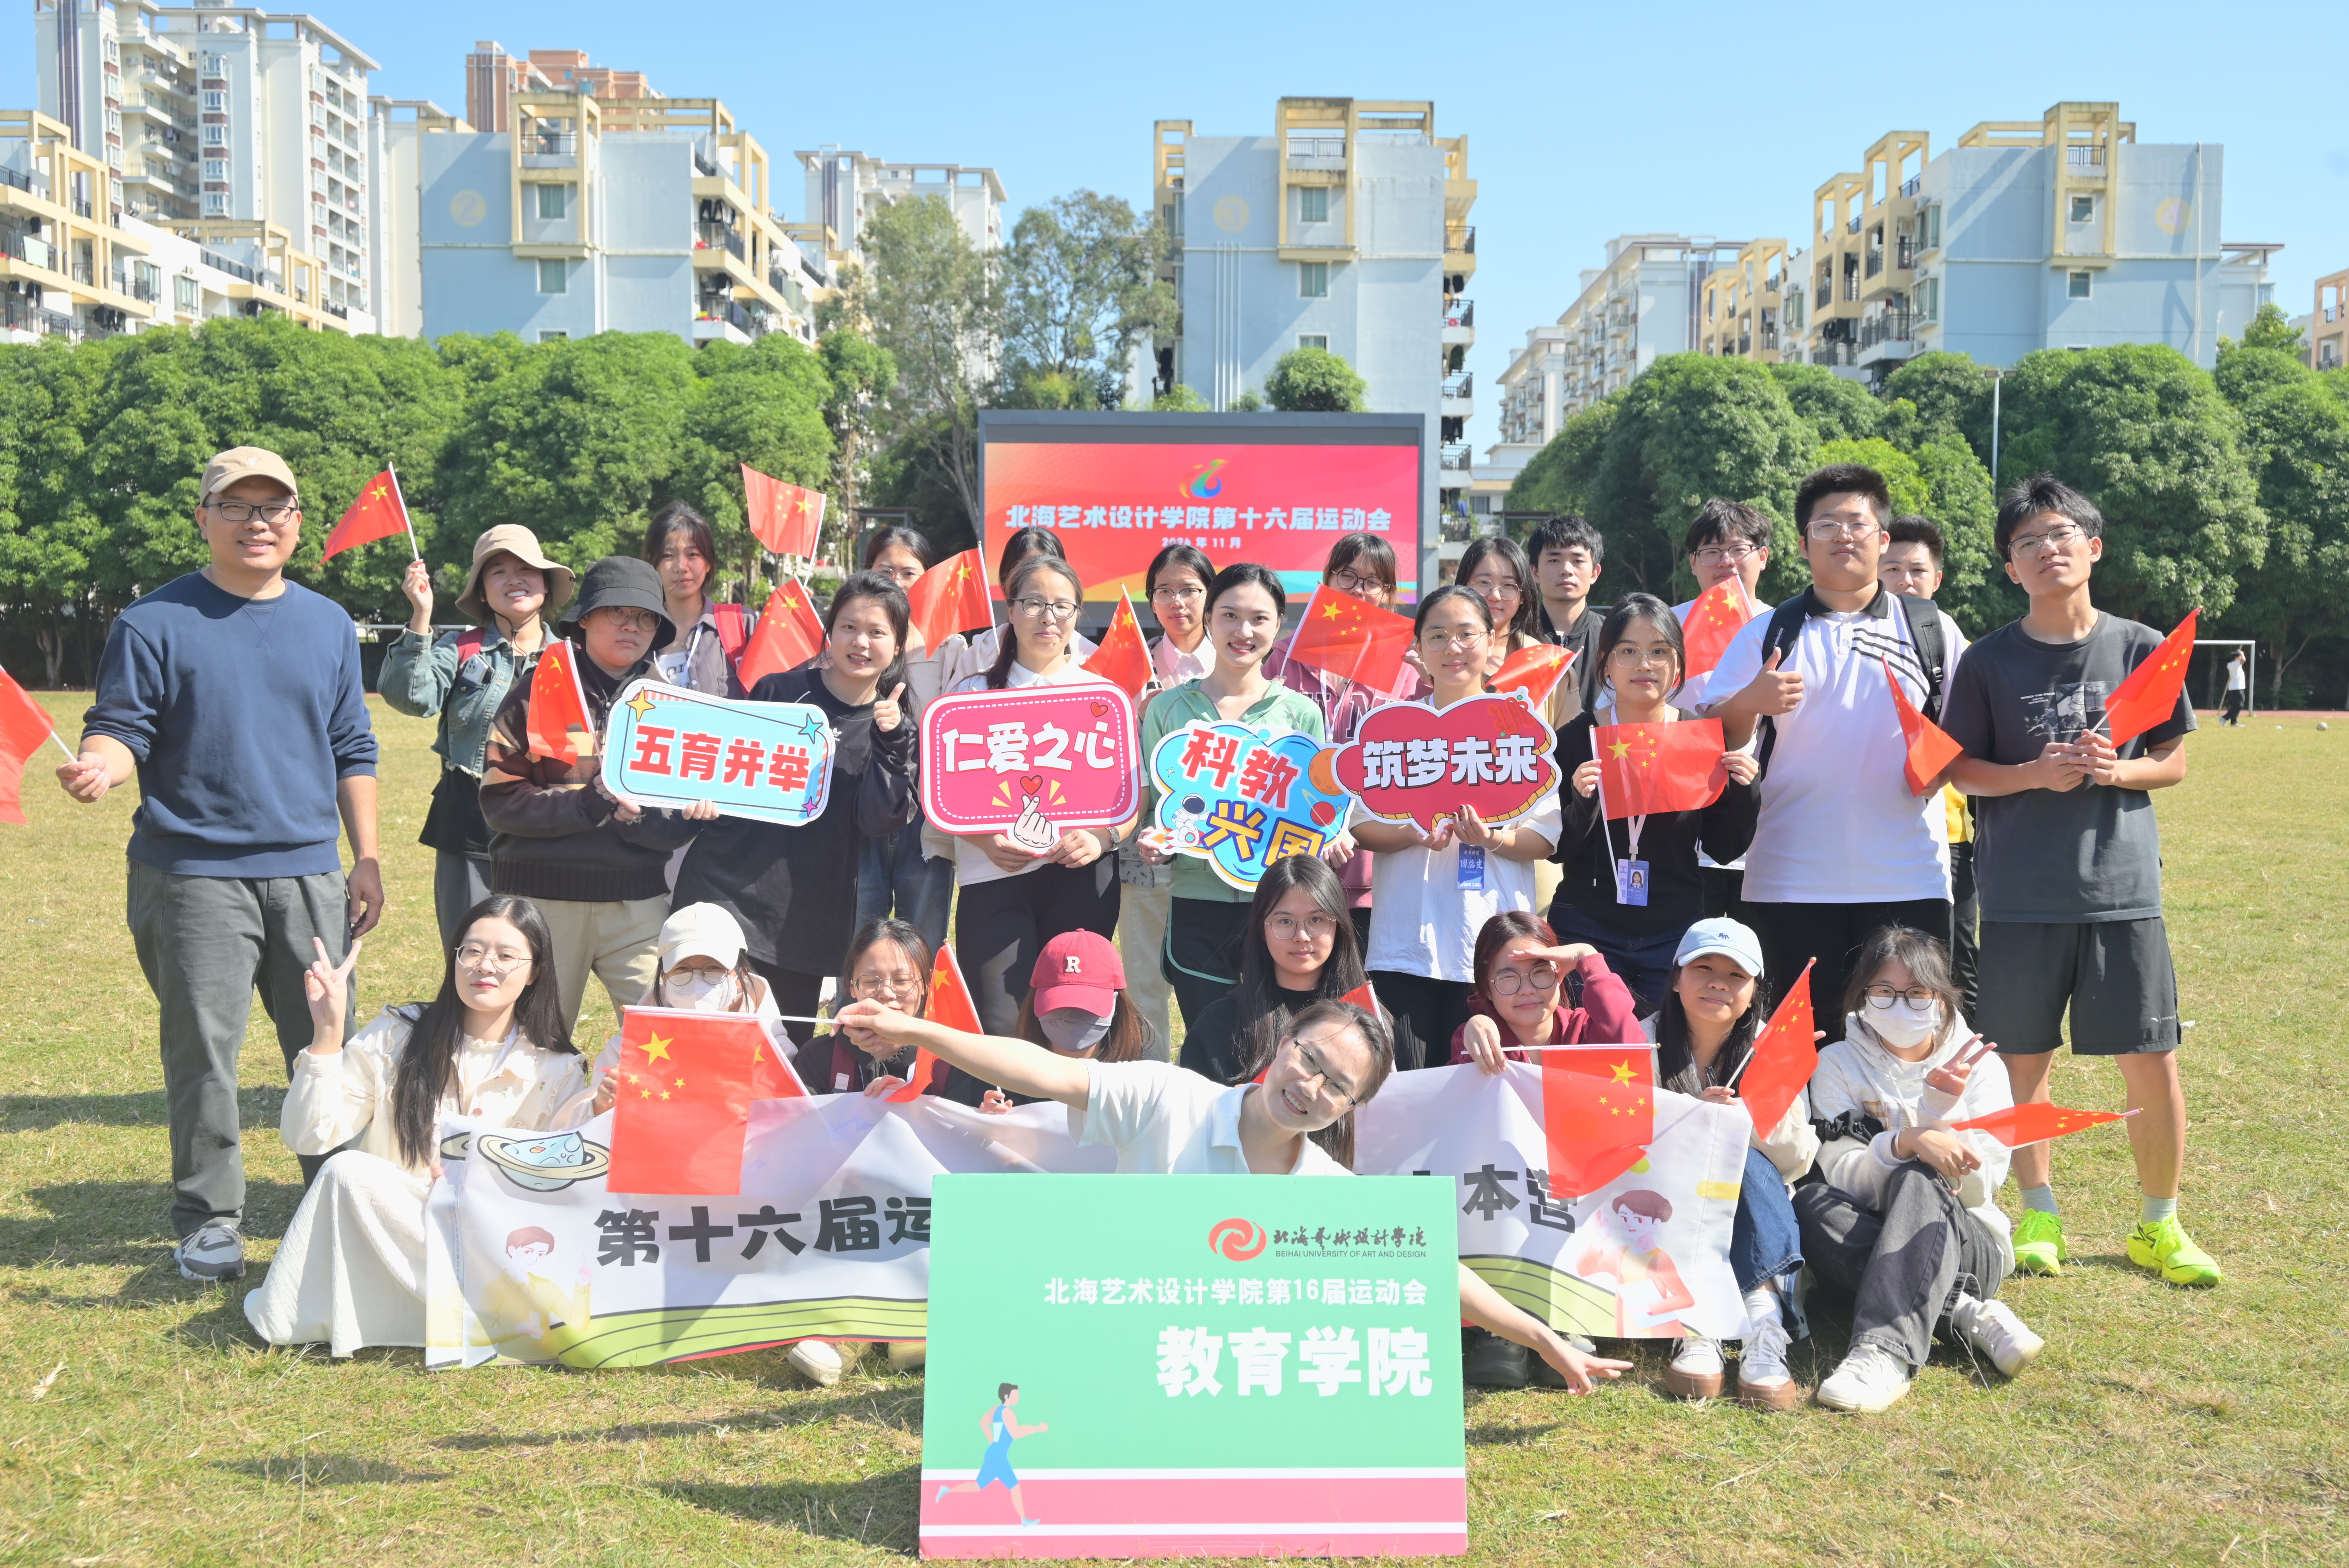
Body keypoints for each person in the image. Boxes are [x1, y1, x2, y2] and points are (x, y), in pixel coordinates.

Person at [832, 993, 1635, 1393]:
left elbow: (1433, 1267)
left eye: (1337, 1087)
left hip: (1209, 1374)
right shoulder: (1167, 1096)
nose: (1310, 1088)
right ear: (1281, 1045)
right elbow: (1043, 1071)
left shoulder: (1325, 1189)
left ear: (1351, 1110)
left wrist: (1540, 1337)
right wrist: (917, 1032)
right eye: (1309, 1061)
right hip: (1106, 1347)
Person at [59, 446, 383, 1283]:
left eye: (273, 507)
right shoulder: (152, 621)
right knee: (204, 1051)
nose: (256, 522)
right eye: (236, 507)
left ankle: (339, 1204)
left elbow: (352, 743)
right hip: (191, 874)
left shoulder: (327, 623)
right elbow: (120, 727)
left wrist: (368, 856)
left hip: (309, 872)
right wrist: (101, 766)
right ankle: (210, 1221)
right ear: (203, 519)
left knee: (326, 1041)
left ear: (298, 522)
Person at [1940, 474, 2212, 1287]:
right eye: (2026, 543)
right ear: (2010, 568)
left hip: (2120, 891)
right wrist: (2033, 773)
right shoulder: (1988, 661)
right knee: (2020, 1063)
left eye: (2059, 535)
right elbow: (1959, 770)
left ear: (2092, 548)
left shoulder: (2139, 646)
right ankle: (2038, 1214)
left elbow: (2172, 761)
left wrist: (2114, 770)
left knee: (2150, 1059)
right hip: (2019, 897)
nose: (2045, 550)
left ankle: (2159, 1222)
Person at [243, 895, 590, 1356]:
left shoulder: (558, 1068)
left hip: (491, 1244)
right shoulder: (397, 1033)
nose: (485, 965)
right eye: (472, 950)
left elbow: (558, 1191)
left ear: (535, 971)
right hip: (398, 1222)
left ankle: (462, 1311)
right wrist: (327, 1033)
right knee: (346, 1171)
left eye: (506, 955)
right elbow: (309, 1134)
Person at [1701, 464, 1968, 1040]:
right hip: (1788, 877)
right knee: (1803, 1044)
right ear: (1803, 544)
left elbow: (1970, 730)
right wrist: (1751, 700)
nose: (1843, 535)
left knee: (1906, 1039)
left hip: (1908, 874)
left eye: (1857, 522)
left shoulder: (1932, 629)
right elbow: (1709, 736)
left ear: (1883, 539)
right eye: (1826, 525)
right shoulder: (1768, 632)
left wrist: (1945, 764)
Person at [1800, 926, 2043, 1413]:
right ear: (1862, 996)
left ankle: (1883, 1352)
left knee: (1920, 1176)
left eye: (1916, 993)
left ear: (1941, 997)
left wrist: (1939, 1118)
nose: (1900, 1005)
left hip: (1968, 1243)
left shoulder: (1980, 1066)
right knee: (1808, 1203)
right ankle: (1965, 1311)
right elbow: (1841, 1174)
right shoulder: (1837, 1063)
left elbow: (1979, 1189)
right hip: (1867, 1226)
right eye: (1884, 992)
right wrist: (1906, 1141)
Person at [673, 570, 919, 1044]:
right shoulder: (780, 692)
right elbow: (731, 778)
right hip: (725, 892)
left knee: (782, 1053)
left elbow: (878, 820)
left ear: (897, 645)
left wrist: (890, 740)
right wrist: (708, 806)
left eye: (876, 632)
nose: (860, 642)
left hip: (806, 920)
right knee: (700, 1040)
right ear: (830, 631)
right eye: (848, 627)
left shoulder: (899, 729)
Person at [480, 557, 705, 1032]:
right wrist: (585, 804)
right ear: (584, 618)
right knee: (534, 1044)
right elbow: (500, 800)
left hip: (638, 902)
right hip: (542, 901)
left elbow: (672, 820)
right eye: (617, 612)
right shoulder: (536, 690)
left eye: (646, 616)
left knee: (669, 1035)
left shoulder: (671, 707)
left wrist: (661, 820)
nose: (632, 625)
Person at [1351, 586, 1562, 1071]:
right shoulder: (1393, 728)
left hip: (1493, 947)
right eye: (1437, 635)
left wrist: (1493, 838)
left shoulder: (1518, 728)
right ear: (1418, 647)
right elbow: (1362, 825)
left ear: (1491, 639)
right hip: (1406, 945)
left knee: (1487, 1084)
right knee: (1409, 1081)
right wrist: (1409, 834)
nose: (1453, 648)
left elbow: (1546, 837)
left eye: (1467, 634)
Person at [1441, 911, 1640, 1391]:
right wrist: (1474, 1029)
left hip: (1579, 1193)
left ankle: (1566, 1317)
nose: (1526, 989)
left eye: (1540, 972)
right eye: (1507, 977)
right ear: (1486, 988)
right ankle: (1501, 1327)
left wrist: (1589, 959)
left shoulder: (1585, 1028)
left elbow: (1629, 1045)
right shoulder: (1477, 1034)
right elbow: (1463, 1123)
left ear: (1561, 974)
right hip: (1505, 1196)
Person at [946, 553, 1132, 1034]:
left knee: (1071, 1022)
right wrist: (984, 839)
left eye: (1062, 606)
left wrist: (1103, 837)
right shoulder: (972, 694)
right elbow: (942, 793)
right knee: (1000, 1024)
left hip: (1081, 876)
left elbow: (1132, 795)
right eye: (1033, 603)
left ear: (1077, 614)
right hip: (994, 874)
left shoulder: (1103, 696)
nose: (1048, 617)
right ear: (1010, 610)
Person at [1139, 563, 1328, 1034]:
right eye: (1229, 615)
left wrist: (1331, 837)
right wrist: (1157, 841)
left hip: (1279, 904)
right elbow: (1157, 808)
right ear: (1208, 619)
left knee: (1282, 1040)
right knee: (1210, 1041)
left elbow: (1314, 810)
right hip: (1196, 901)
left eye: (1259, 618)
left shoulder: (1302, 714)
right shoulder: (1167, 709)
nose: (1243, 631)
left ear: (1279, 625)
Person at [1636, 918, 1815, 1410]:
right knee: (1709, 1150)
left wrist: (1749, 1118)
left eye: (1736, 975)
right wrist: (1692, 1118)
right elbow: (1626, 1148)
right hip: (1670, 1205)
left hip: (1753, 1199)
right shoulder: (1641, 1042)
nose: (1719, 983)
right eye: (1704, 968)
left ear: (1754, 991)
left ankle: (1764, 1320)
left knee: (1744, 1157)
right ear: (1677, 978)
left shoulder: (1771, 1047)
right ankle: (1701, 1324)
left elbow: (1796, 1162)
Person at [1551, 594, 1760, 1010]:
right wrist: (1583, 801)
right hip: (1586, 924)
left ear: (1678, 665)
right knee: (1587, 1042)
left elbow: (1724, 848)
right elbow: (1558, 848)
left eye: (1659, 652)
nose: (1644, 664)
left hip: (1674, 929)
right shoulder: (1577, 738)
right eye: (1628, 651)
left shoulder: (1698, 738)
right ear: (1606, 664)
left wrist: (1745, 789)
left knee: (1664, 1045)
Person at [381, 525, 575, 951]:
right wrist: (421, 616)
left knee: (541, 961)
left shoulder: (573, 661)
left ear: (546, 583)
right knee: (471, 955)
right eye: (498, 571)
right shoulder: (460, 648)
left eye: (526, 569)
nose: (514, 579)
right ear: (482, 592)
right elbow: (411, 697)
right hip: (468, 828)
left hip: (549, 830)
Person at [1262, 532, 1426, 945]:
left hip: (1371, 857)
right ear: (1327, 580)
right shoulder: (1286, 655)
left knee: (1363, 975)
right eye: (1347, 576)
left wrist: (1429, 681)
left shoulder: (1407, 667)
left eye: (1373, 582)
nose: (1358, 590)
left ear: (1389, 593)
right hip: (1296, 844)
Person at [1117, 542, 1216, 1060]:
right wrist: (1139, 716)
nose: (1177, 602)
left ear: (1210, 594)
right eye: (1164, 591)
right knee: (1142, 972)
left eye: (1190, 590)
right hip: (1144, 840)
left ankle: (1217, 1074)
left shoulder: (1238, 665)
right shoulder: (1128, 665)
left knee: (1216, 974)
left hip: (1218, 847)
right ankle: (1150, 1077)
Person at [1879, 516, 1980, 1019]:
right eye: (1892, 569)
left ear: (1937, 578)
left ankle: (1968, 1046)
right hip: (1879, 830)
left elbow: (1976, 720)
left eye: (1917, 570)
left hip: (1948, 827)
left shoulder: (1942, 633)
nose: (1905, 580)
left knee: (1953, 955)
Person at [1670, 499, 1775, 923]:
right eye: (1712, 551)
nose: (1725, 561)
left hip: (1770, 830)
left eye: (1738, 549)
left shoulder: (1788, 627)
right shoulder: (1666, 629)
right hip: (1685, 826)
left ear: (1763, 556)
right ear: (1693, 563)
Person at [1178, 855, 1371, 1086]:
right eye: (1285, 922)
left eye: (1317, 920)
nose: (1302, 936)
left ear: (1339, 926)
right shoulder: (1219, 1026)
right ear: (1262, 929)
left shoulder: (1370, 1021)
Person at [855, 526, 954, 956]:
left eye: (909, 573)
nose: (897, 582)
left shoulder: (950, 648)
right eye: (885, 571)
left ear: (927, 578)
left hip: (927, 817)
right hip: (863, 809)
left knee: (922, 943)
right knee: (857, 942)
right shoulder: (853, 644)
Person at [645, 502, 753, 697]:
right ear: (654, 564)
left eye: (693, 555)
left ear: (708, 563)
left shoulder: (743, 624)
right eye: (668, 555)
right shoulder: (641, 633)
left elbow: (782, 690)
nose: (681, 566)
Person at [1526, 514, 1608, 723]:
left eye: (1578, 561)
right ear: (1535, 571)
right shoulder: (1517, 638)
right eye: (1554, 560)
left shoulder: (1613, 637)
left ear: (1595, 573)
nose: (1566, 570)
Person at [935, 1384, 1048, 1528]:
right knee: (1014, 1486)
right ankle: (1024, 1520)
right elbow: (1016, 1433)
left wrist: (994, 1442)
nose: (1019, 1398)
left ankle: (947, 1490)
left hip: (993, 1453)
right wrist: (1037, 1429)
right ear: (1007, 1397)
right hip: (998, 1457)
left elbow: (983, 1423)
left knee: (978, 1486)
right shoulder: (1008, 1413)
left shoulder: (996, 1410)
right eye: (1016, 1395)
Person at [2221, 649, 2246, 725]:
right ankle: (2224, 718)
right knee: (2239, 705)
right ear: (2237, 658)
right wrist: (2242, 653)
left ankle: (2234, 723)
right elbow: (2244, 660)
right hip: (2237, 688)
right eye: (2240, 657)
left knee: (2235, 705)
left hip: (2237, 688)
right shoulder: (2234, 665)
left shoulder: (2234, 665)